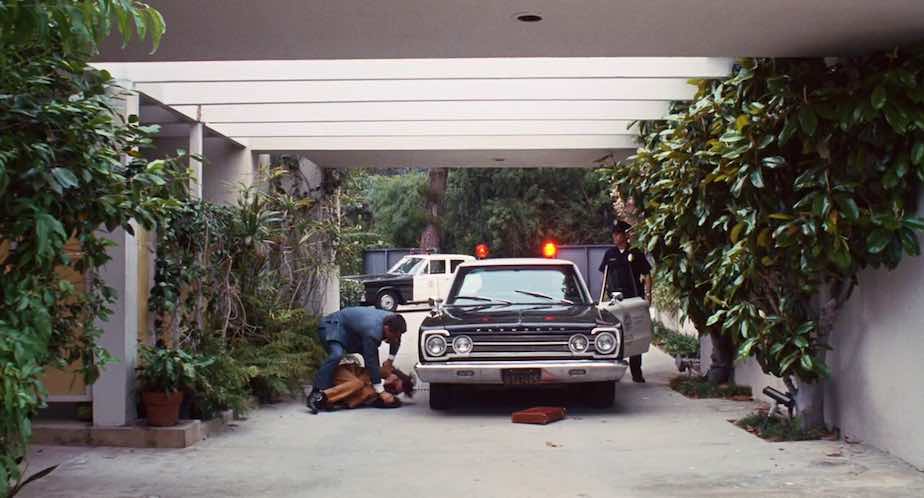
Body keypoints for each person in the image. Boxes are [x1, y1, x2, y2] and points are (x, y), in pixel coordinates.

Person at [306, 307, 407, 414]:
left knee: (360, 384)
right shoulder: (372, 330)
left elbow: (395, 340)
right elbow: (371, 361)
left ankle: (326, 399)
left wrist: (390, 360)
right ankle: (316, 392)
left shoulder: (393, 321)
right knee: (337, 354)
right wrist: (381, 390)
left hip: (351, 334)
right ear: (386, 328)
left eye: (394, 388)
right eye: (396, 380)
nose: (396, 339)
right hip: (332, 325)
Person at [598, 220, 653, 383]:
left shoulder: (636, 253)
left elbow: (647, 275)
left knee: (634, 334)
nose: (615, 237)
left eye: (618, 233)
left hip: (633, 299)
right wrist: (603, 297)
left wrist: (648, 295)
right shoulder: (610, 254)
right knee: (615, 334)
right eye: (614, 234)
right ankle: (614, 372)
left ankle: (637, 372)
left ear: (625, 235)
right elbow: (604, 277)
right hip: (615, 301)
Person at [319, 359, 416, 411]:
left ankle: (333, 402)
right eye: (396, 385)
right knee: (359, 384)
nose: (394, 389)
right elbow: (362, 380)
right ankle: (321, 397)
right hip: (343, 373)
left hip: (347, 388)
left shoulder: (384, 392)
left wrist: (391, 400)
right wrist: (383, 382)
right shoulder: (384, 371)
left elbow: (367, 397)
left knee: (368, 392)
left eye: (396, 391)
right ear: (397, 377)